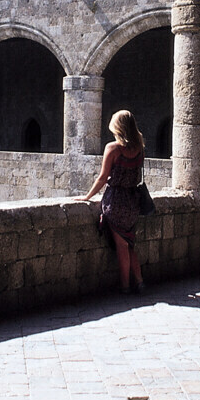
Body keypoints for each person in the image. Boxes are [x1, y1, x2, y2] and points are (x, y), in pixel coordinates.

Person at [79, 110, 146, 293]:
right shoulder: (140, 148)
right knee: (129, 243)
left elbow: (102, 178)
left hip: (115, 202)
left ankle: (125, 286)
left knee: (121, 245)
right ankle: (139, 282)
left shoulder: (113, 148)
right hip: (133, 201)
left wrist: (87, 197)